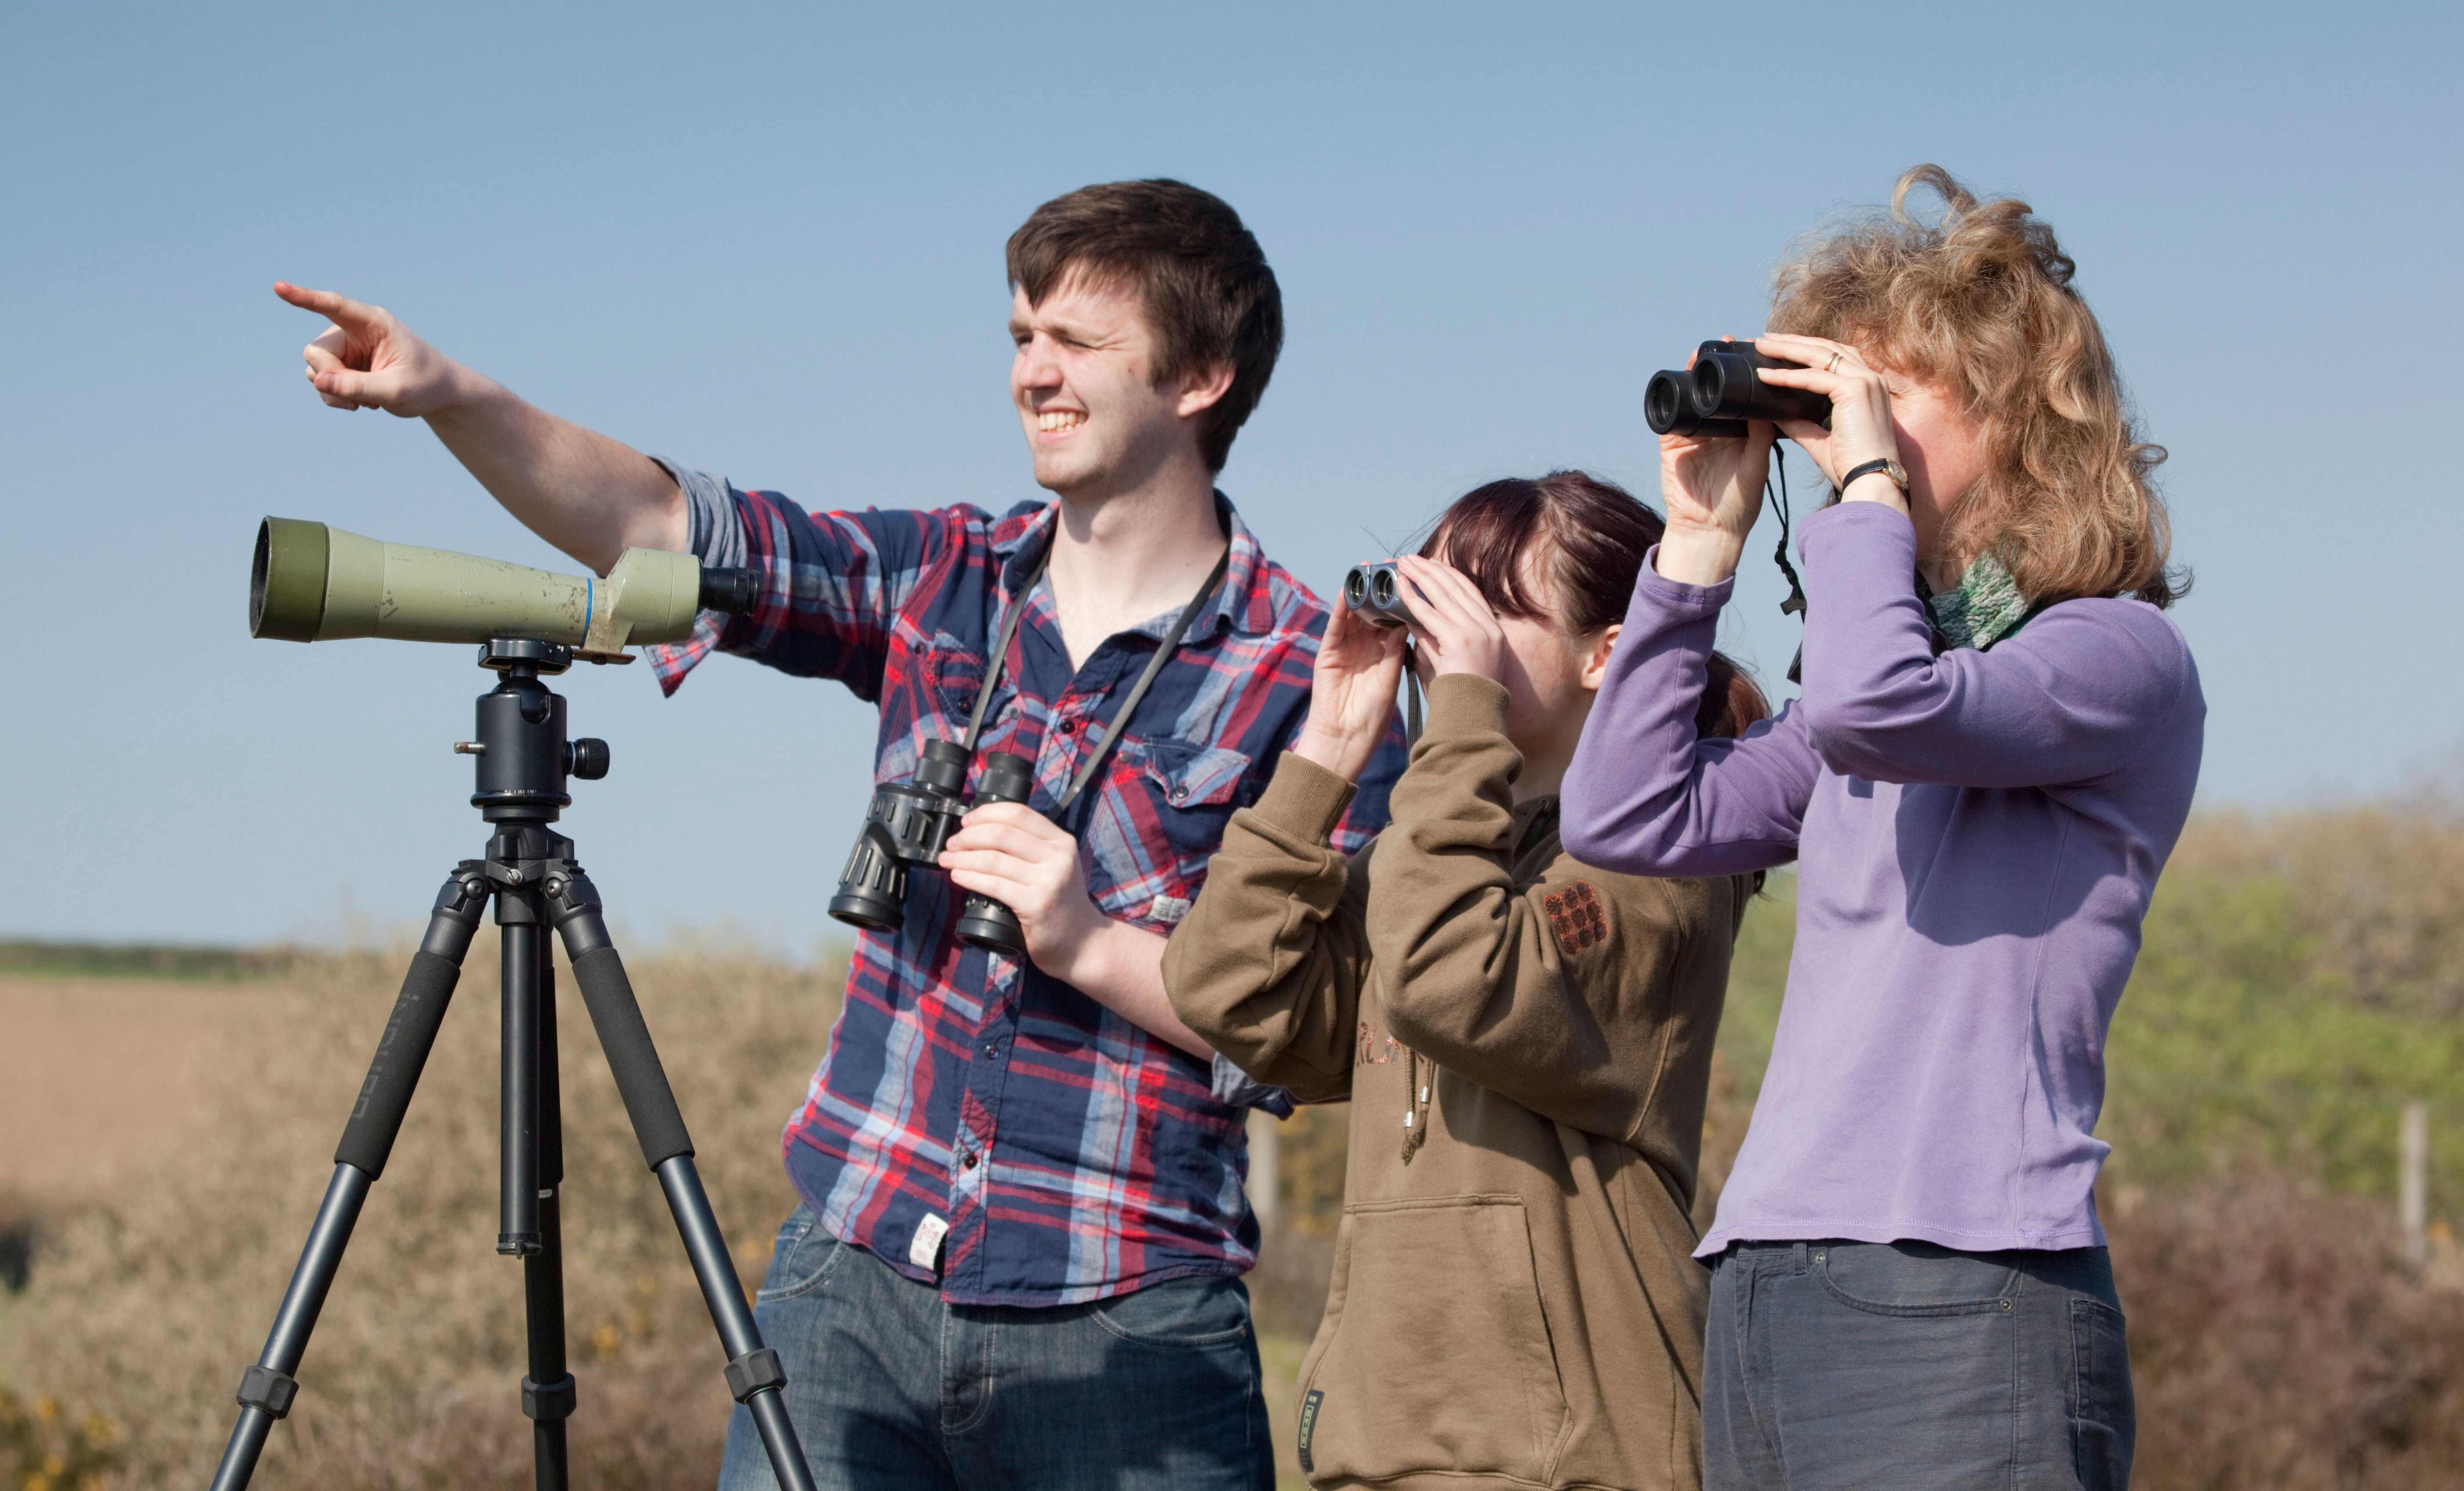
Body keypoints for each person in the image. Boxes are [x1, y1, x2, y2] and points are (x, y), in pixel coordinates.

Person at [275, 178, 1401, 1491]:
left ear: (1202, 374)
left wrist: (1091, 943)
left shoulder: (1315, 680)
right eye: (1020, 338)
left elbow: (1327, 1037)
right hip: (847, 1283)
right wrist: (453, 396)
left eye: (1077, 344)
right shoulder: (946, 578)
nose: (1033, 373)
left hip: (1130, 1309)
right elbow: (666, 529)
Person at [1559, 165, 2202, 1491]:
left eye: (1884, 390)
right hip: (1770, 1275)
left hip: (1967, 1291)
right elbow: (1625, 813)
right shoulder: (1885, 697)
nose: (1838, 424)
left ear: (2017, 417)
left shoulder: (2114, 658)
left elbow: (1877, 708)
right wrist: (1694, 547)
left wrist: (1859, 483)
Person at [1162, 471, 1768, 1491]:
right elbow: (1225, 986)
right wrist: (1332, 745)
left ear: (1605, 656)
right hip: (1387, 1444)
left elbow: (1457, 977)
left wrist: (1459, 719)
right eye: (1437, 601)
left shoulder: (1667, 862)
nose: (1447, 640)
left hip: (1578, 1459)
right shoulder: (1438, 859)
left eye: (1490, 613)